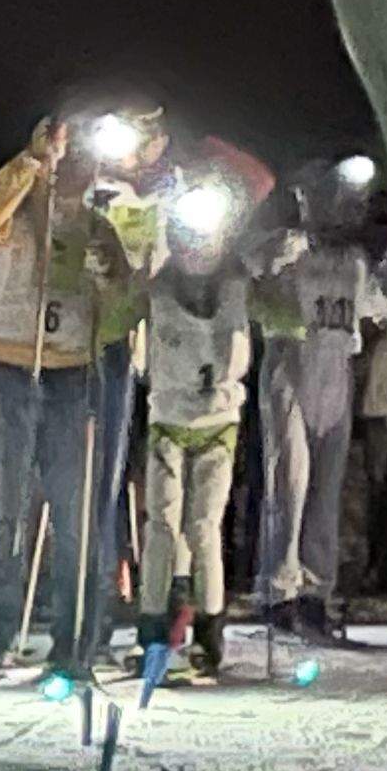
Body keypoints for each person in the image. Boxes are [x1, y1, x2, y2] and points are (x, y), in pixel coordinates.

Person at [0, 113, 157, 681]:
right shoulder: (10, 213)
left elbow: (125, 311)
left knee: (75, 517)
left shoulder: (98, 229)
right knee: (2, 511)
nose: (75, 173)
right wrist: (32, 161)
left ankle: (75, 636)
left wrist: (110, 280)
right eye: (66, 161)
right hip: (6, 369)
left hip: (72, 376)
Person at [248, 165, 386, 643]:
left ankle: (315, 592)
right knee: (289, 483)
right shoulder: (287, 248)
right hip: (293, 367)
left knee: (326, 490)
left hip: (336, 373)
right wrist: (275, 256)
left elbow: (378, 308)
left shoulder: (354, 260)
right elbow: (250, 275)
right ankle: (277, 590)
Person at [137, 174, 257, 680]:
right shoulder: (156, 290)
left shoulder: (239, 288)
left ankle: (211, 629)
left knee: (203, 527)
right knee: (162, 526)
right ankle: (152, 627)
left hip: (217, 424)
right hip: (168, 421)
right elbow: (117, 312)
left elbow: (285, 312)